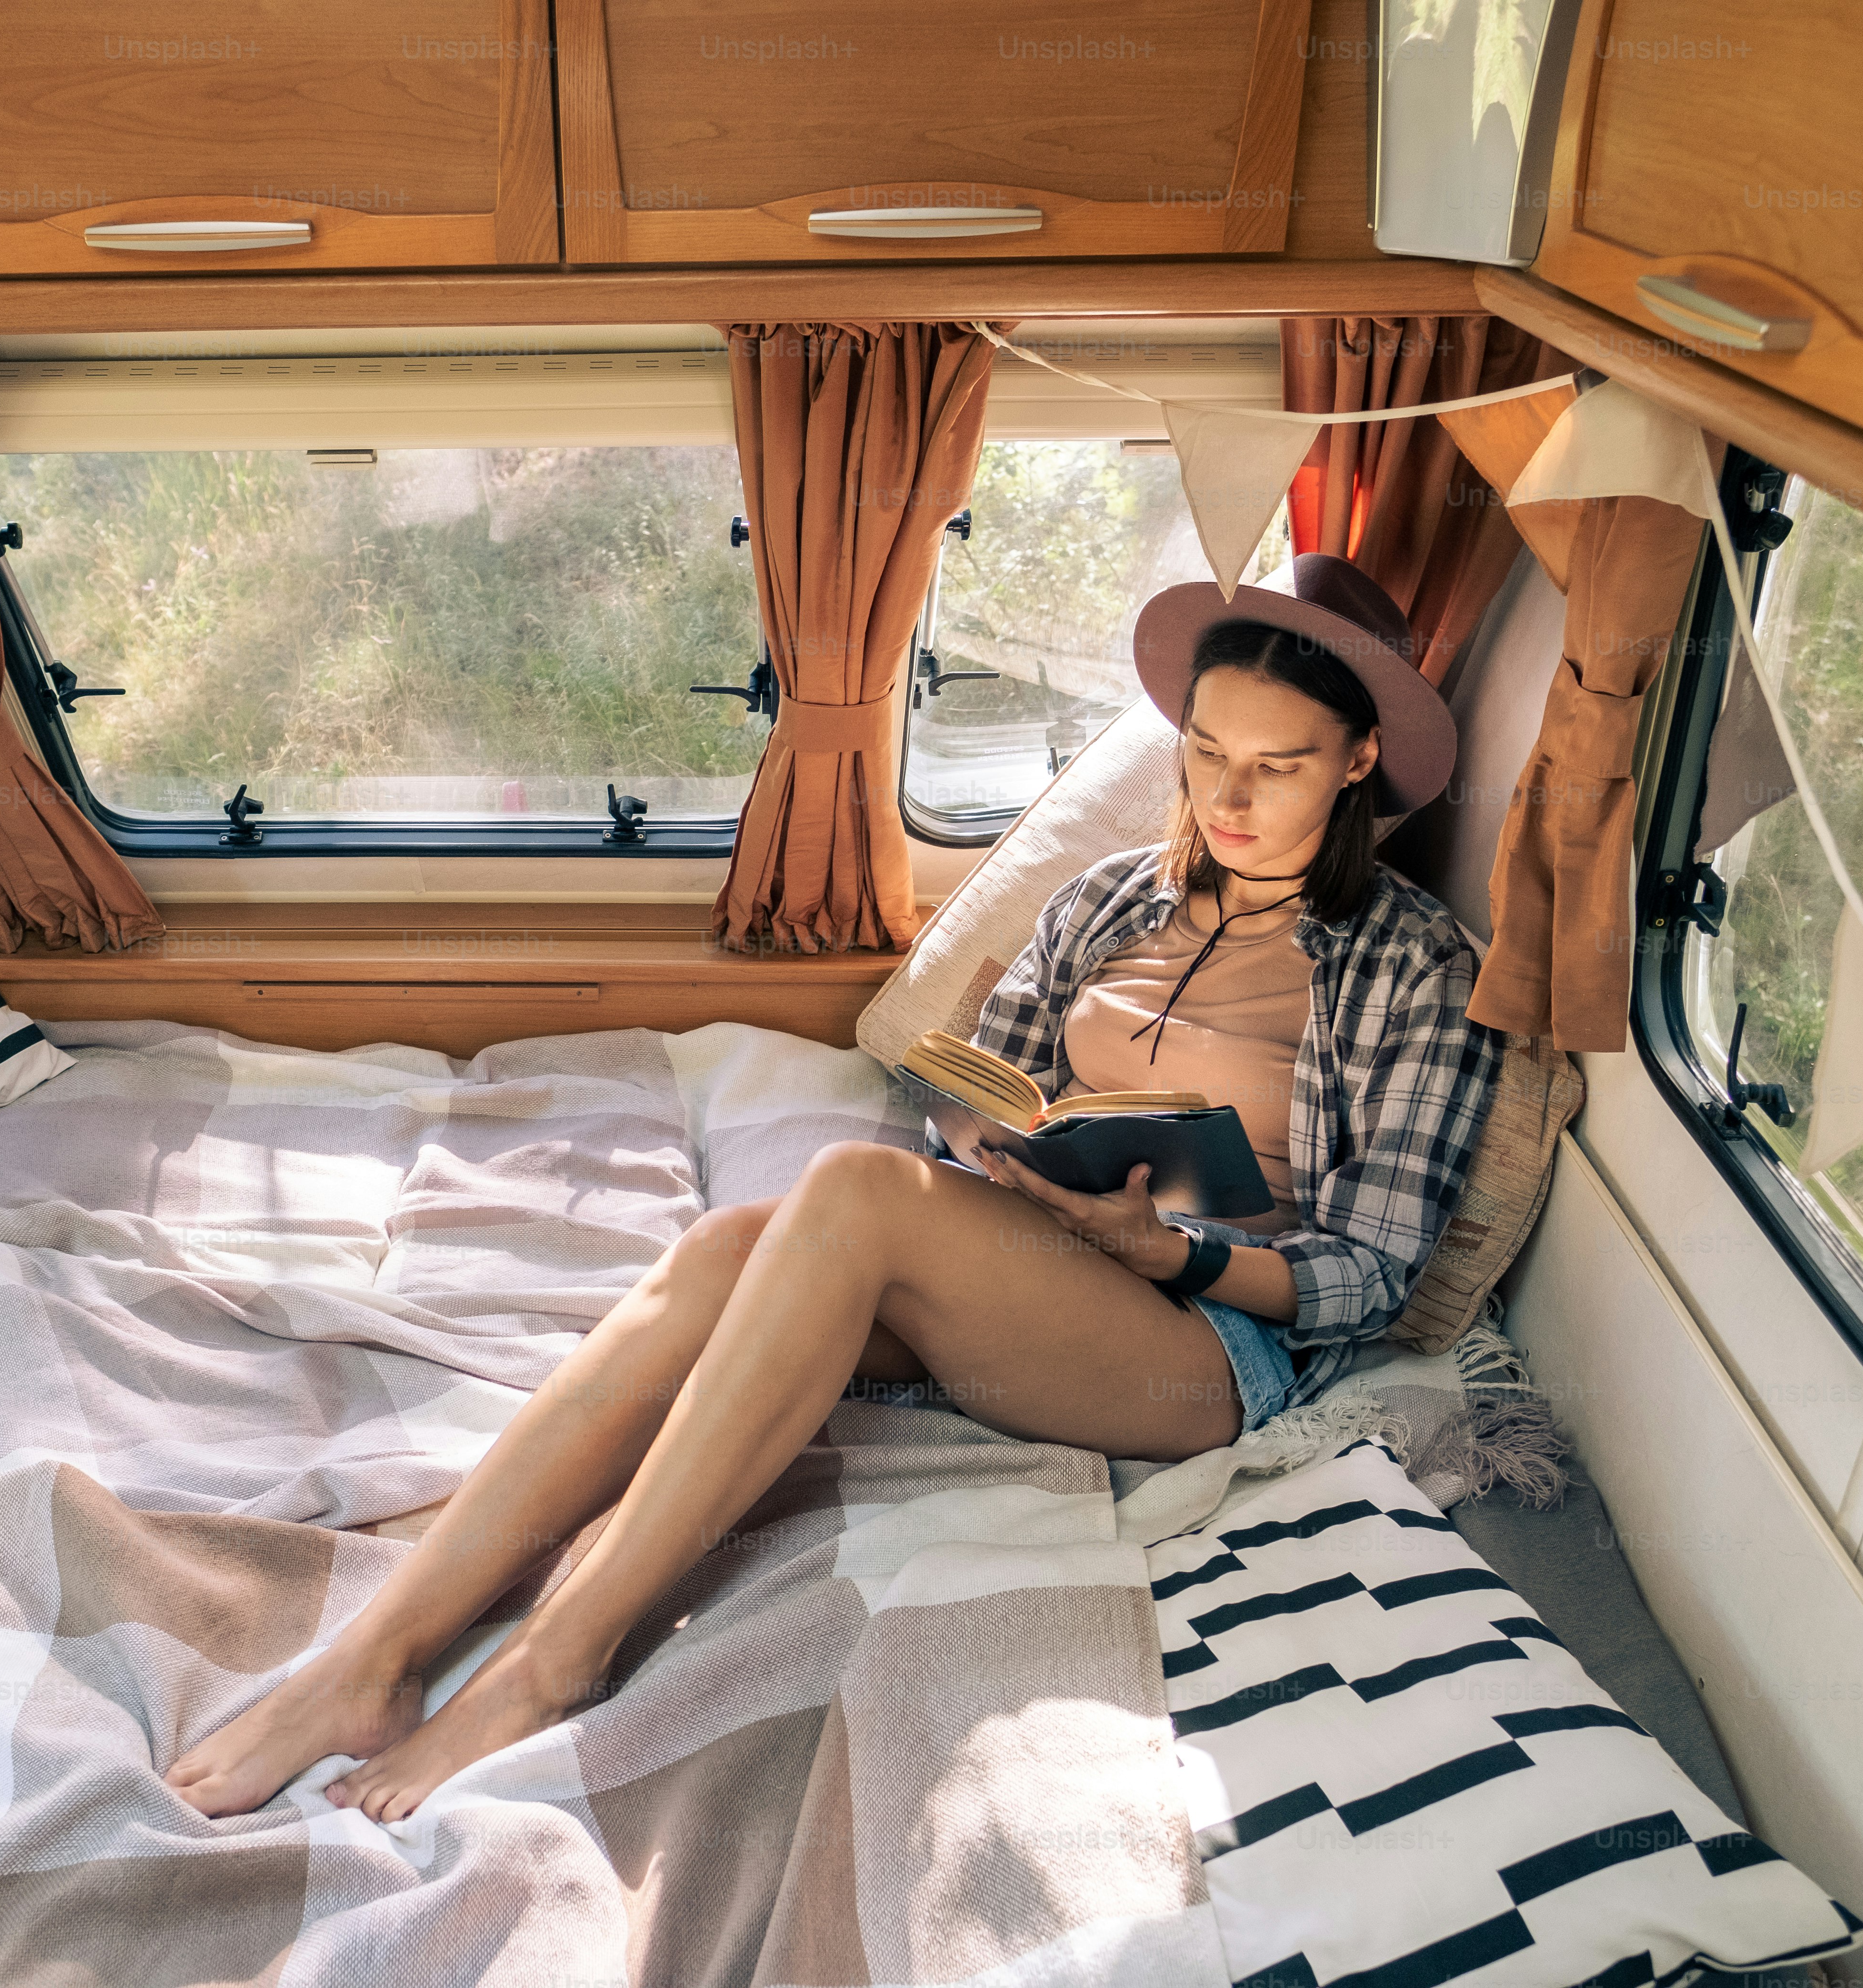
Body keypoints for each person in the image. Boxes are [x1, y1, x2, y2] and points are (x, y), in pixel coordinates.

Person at [168, 551, 1503, 1823]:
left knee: (855, 1194)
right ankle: (379, 1655)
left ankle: (557, 1658)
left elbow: (1373, 1275)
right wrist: (998, 1140)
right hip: (1046, 1263)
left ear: (1360, 762)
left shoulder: (1416, 968)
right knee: (726, 1253)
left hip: (1215, 1339)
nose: (1230, 795)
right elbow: (993, 1080)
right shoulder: (1109, 899)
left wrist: (1177, 1258)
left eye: (1278, 766)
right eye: (1207, 751)